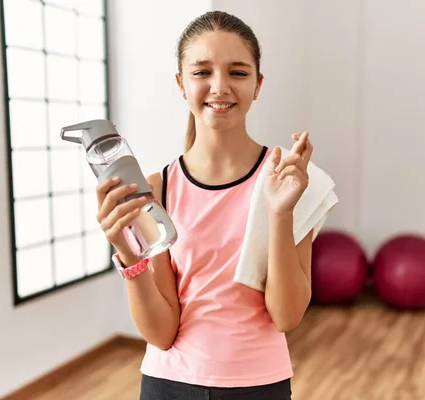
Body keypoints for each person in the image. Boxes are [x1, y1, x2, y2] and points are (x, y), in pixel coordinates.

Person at [96, 10, 314, 400]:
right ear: (181, 83)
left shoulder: (290, 178)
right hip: (169, 385)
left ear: (258, 84)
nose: (220, 87)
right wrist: (127, 254)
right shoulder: (157, 188)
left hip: (259, 385)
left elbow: (287, 316)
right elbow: (162, 334)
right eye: (202, 72)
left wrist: (280, 213)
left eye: (238, 72)